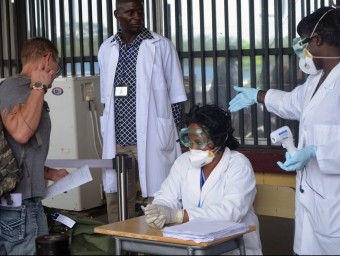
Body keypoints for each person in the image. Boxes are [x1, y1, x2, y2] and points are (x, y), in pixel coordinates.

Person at [228, 6, 340, 255]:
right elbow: (291, 103)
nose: (304, 51)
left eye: (305, 42)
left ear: (318, 40)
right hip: (313, 201)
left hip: (335, 200)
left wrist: (315, 151)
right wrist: (256, 95)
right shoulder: (316, 80)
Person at [98, 0, 187, 223]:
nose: (137, 16)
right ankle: (122, 245)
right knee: (117, 198)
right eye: (130, 12)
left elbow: (177, 95)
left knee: (157, 197)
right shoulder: (106, 48)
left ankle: (155, 245)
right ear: (117, 14)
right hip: (117, 138)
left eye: (140, 11)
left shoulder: (161, 45)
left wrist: (174, 135)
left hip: (153, 136)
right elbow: (105, 97)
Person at [143, 104, 262, 255]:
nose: (193, 148)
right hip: (191, 245)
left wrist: (178, 215)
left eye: (199, 142)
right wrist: (158, 210)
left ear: (219, 140)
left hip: (233, 248)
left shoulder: (238, 165)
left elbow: (230, 212)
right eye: (190, 142)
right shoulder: (183, 162)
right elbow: (167, 196)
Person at [0, 37, 68, 255]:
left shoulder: (21, 90)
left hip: (23, 204)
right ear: (47, 59)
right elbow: (20, 134)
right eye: (54, 71)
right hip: (19, 207)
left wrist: (49, 173)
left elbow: (20, 152)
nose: (54, 79)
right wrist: (39, 85)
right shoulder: (16, 87)